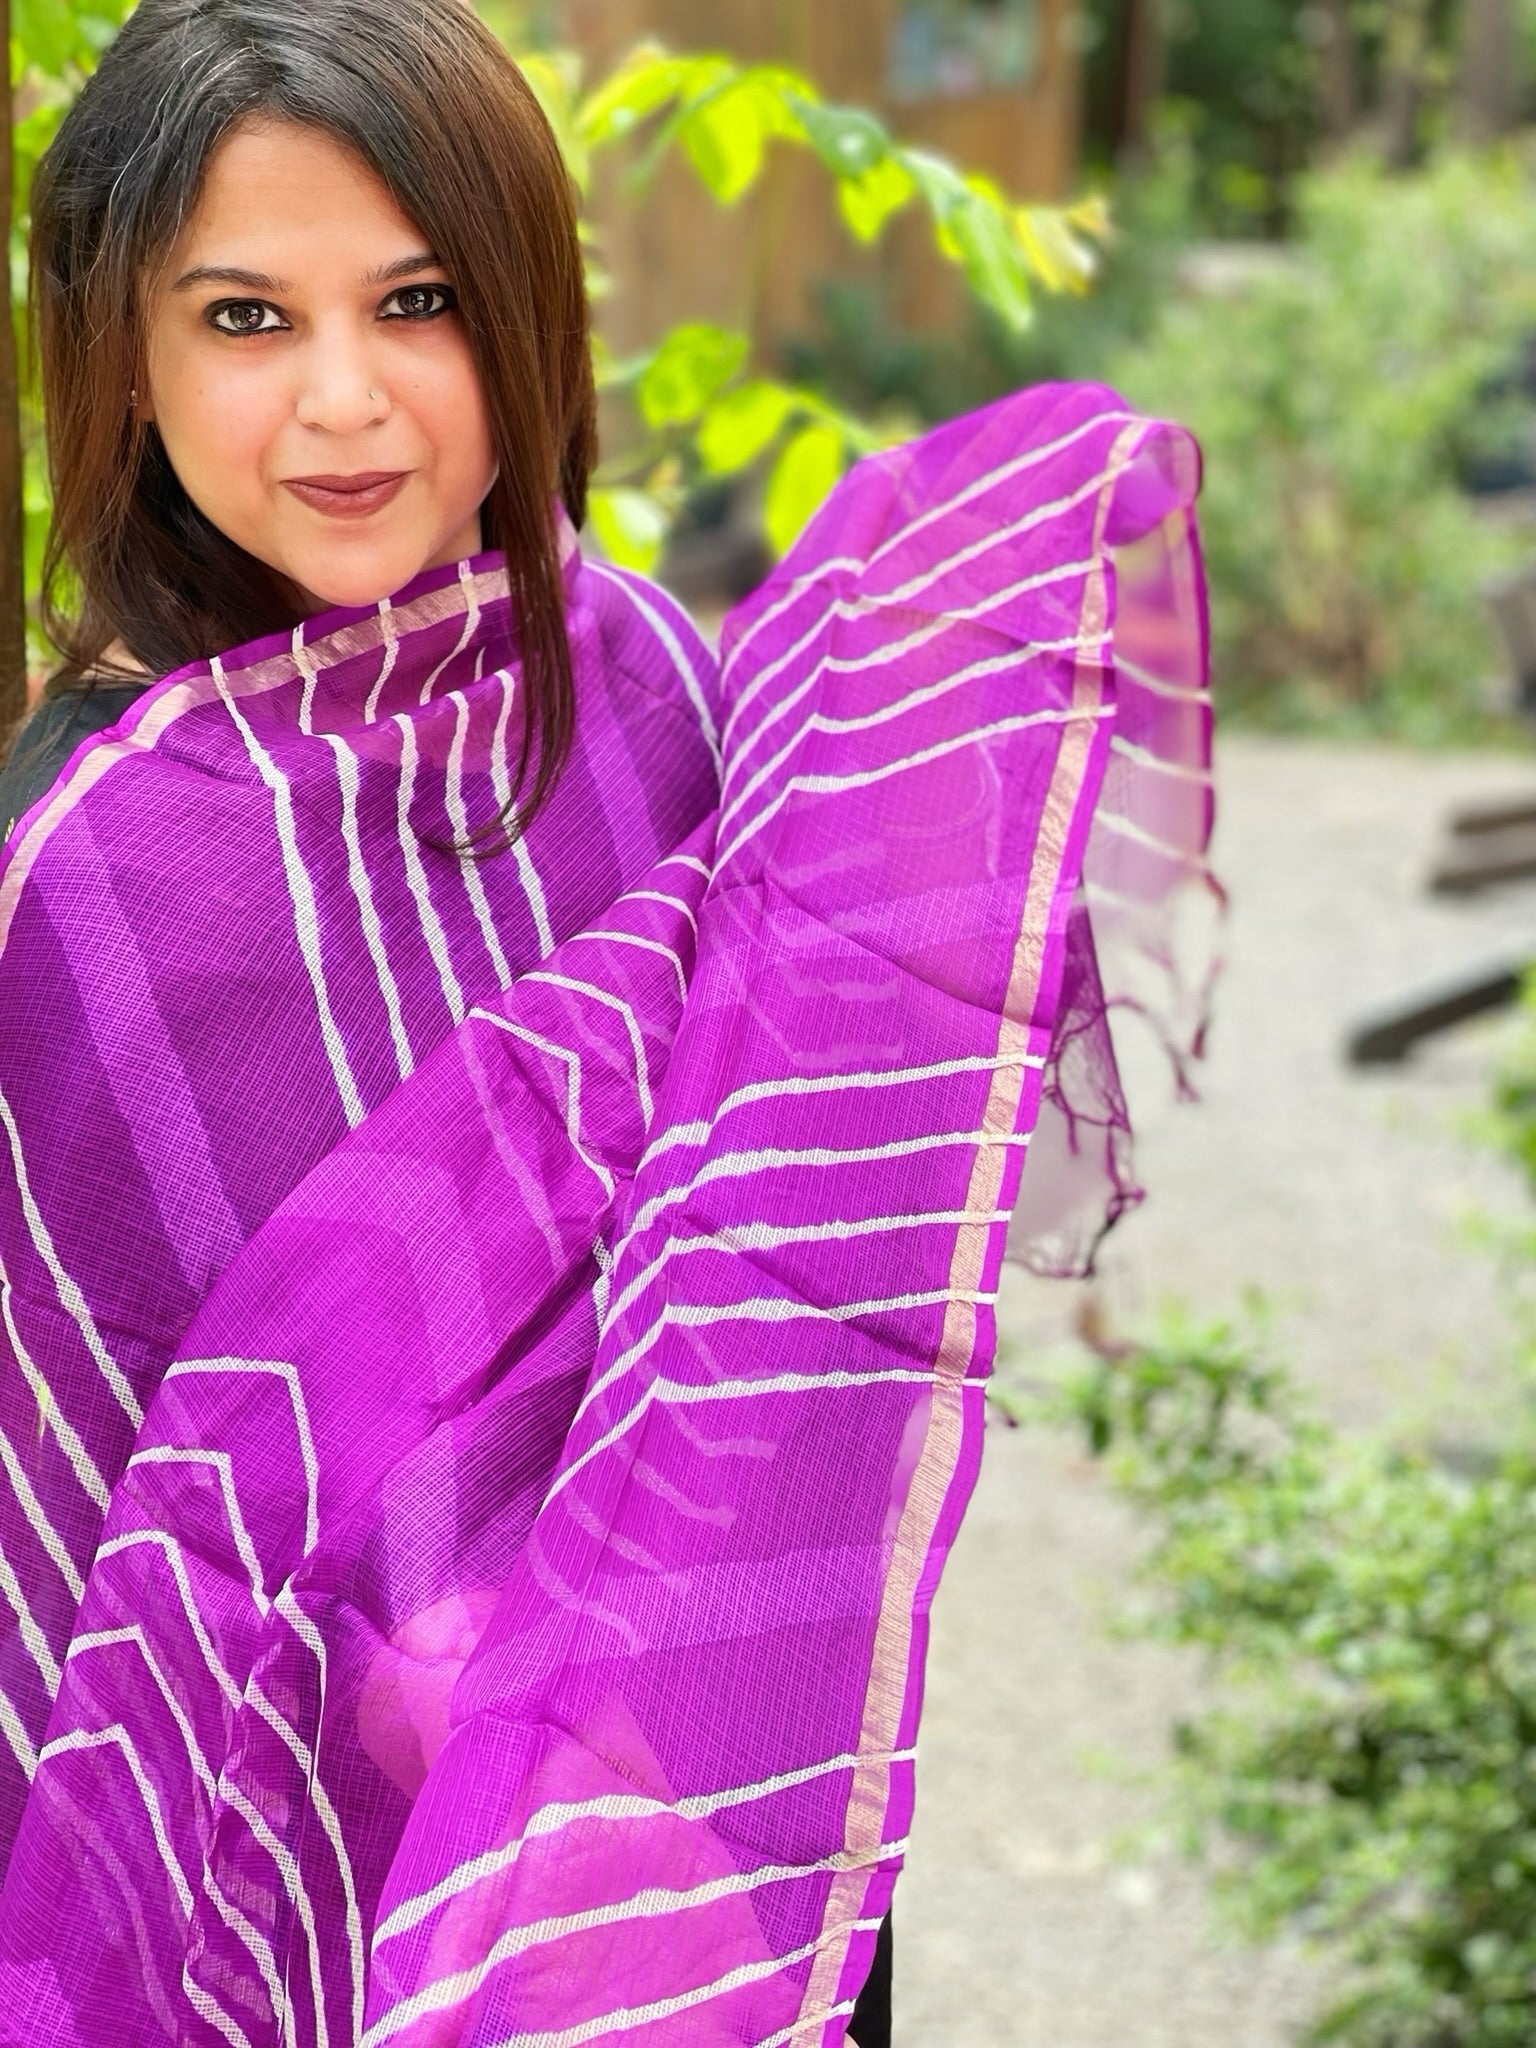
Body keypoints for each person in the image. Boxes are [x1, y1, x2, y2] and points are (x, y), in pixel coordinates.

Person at [0, 0, 1214, 2041]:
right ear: (118, 348)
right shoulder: (94, 886)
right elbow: (76, 1533)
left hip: (695, 1802)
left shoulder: (640, 676)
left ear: (533, 313)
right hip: (304, 1885)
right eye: (241, 320)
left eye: (419, 300)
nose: (344, 404)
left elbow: (793, 1220)